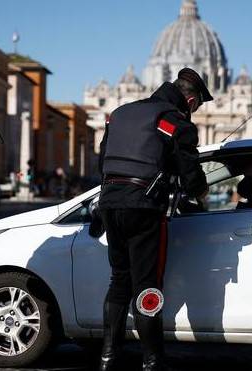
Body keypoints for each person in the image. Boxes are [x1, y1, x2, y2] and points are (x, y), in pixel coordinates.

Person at [97, 68, 210, 371]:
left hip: (109, 204)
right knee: (148, 285)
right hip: (143, 208)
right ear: (189, 99)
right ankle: (152, 361)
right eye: (197, 104)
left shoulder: (120, 114)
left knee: (119, 281)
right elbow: (188, 165)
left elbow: (103, 160)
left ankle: (108, 358)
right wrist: (200, 191)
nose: (195, 110)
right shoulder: (173, 120)